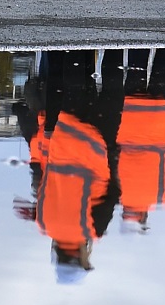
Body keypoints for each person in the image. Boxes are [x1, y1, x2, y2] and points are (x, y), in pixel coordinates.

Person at [36, 50, 125, 278]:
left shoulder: (92, 230)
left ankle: (116, 37)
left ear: (80, 257)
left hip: (98, 148)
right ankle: (77, 43)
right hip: (65, 139)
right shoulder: (44, 224)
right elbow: (44, 184)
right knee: (75, 87)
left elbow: (113, 194)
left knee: (112, 89)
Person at [118, 48, 165, 229]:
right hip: (130, 115)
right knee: (135, 69)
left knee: (162, 71)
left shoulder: (163, 194)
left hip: (159, 119)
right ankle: (142, 32)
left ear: (143, 216)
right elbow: (109, 157)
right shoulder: (116, 192)